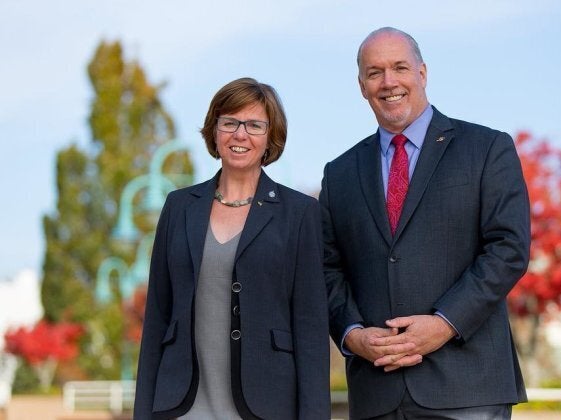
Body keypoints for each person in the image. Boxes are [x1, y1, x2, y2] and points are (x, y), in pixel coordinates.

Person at [320, 27, 531, 419]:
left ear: (423, 72)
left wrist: (445, 323)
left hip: (468, 387)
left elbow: (508, 249)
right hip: (376, 392)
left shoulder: (486, 148)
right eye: (374, 72)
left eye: (400, 67)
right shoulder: (339, 173)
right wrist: (352, 334)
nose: (389, 82)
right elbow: (327, 269)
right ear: (361, 86)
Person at [134, 77, 330, 419]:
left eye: (254, 125)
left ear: (270, 136)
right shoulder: (179, 207)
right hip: (181, 406)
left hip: (266, 406)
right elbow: (156, 320)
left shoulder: (299, 213)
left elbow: (311, 330)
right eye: (230, 123)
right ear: (214, 130)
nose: (240, 134)